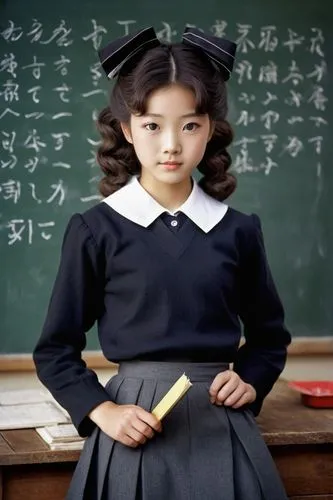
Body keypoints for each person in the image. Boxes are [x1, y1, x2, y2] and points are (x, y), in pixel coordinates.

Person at [33, 26, 291, 499]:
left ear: (210, 128)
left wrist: (251, 382)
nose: (171, 144)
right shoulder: (97, 229)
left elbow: (269, 339)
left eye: (190, 125)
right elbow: (55, 351)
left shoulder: (238, 230)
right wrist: (103, 411)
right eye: (152, 125)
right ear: (127, 129)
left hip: (224, 424)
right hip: (132, 423)